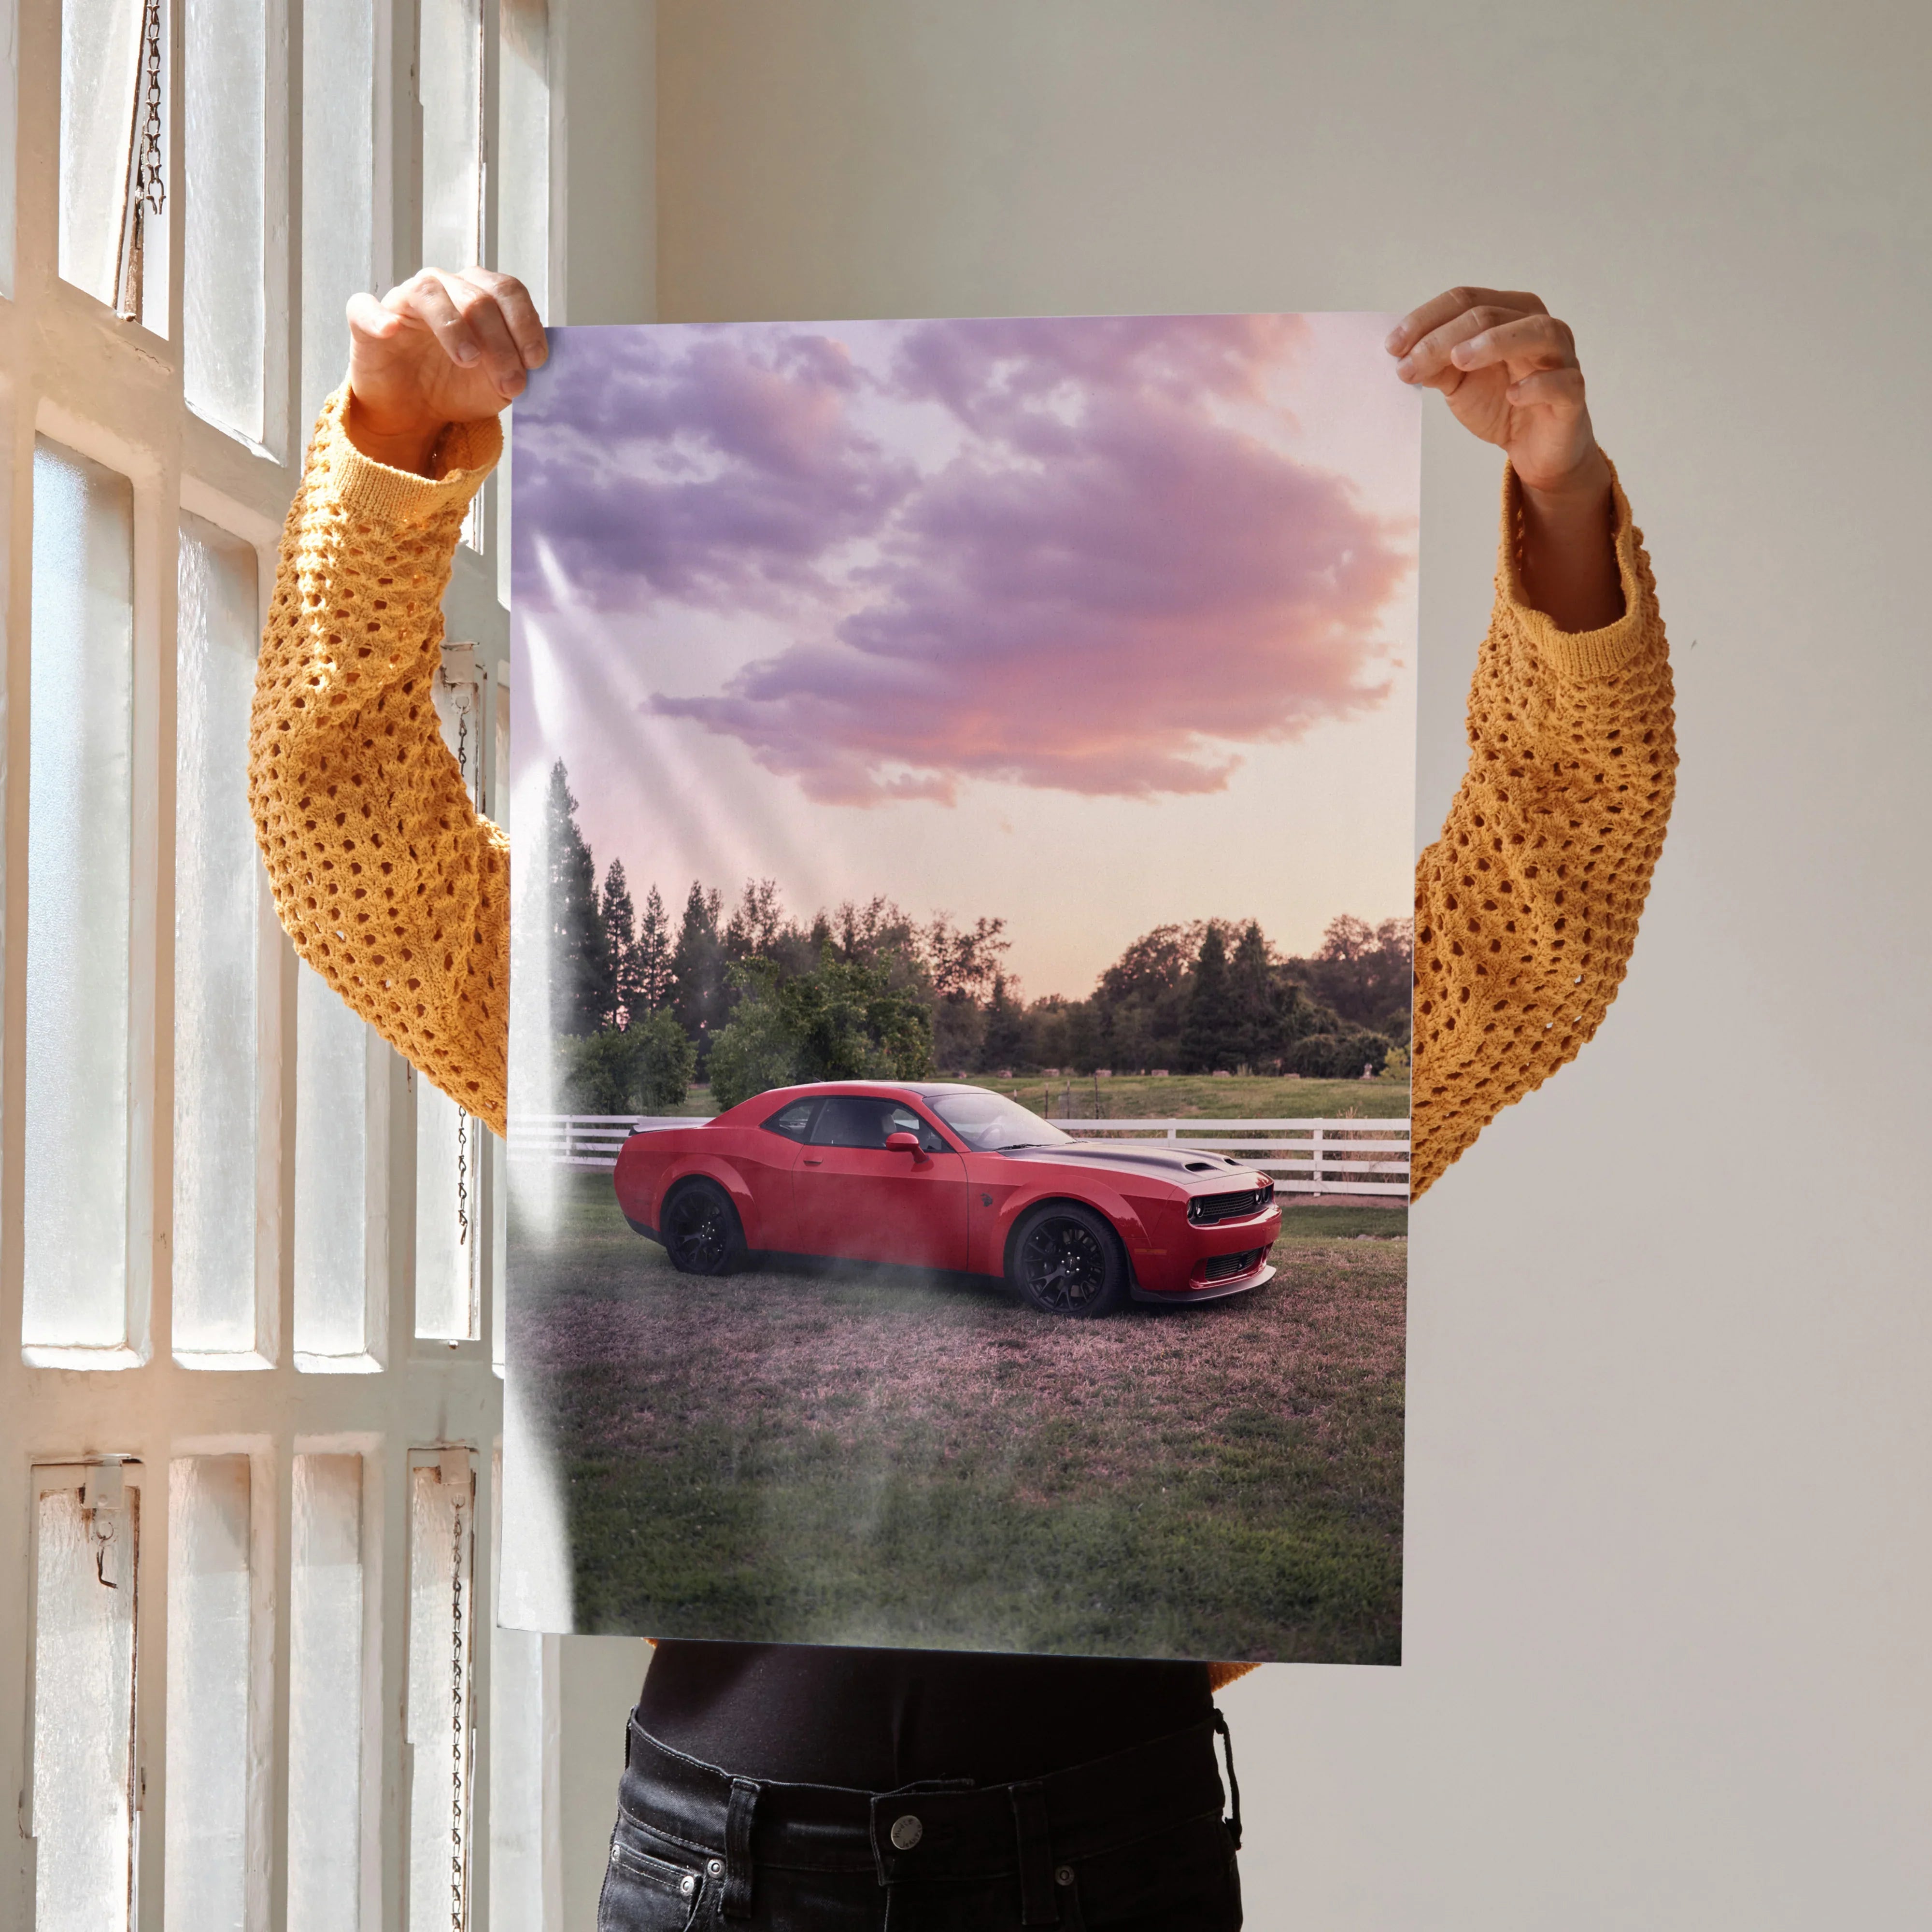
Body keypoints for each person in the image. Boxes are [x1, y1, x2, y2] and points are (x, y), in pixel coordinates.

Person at [250, 269, 1674, 1931]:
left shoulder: (1057, 1127)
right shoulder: (612, 1028)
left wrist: (1562, 500)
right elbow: (345, 840)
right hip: (727, 1867)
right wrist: (391, 444)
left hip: (1104, 1854)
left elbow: (1546, 906)